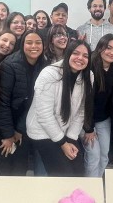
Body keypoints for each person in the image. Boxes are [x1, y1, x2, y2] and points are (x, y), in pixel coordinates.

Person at [26, 40, 93, 176]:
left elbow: (80, 111)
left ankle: (76, 197)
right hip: (42, 131)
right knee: (63, 174)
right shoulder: (49, 74)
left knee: (78, 169)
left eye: (85, 56)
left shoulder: (88, 76)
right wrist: (63, 143)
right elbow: (44, 115)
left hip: (65, 130)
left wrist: (71, 138)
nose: (80, 58)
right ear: (68, 54)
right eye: (76, 53)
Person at [0, 30, 47, 175]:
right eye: (29, 42)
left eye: (38, 42)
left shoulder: (45, 65)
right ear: (22, 44)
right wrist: (8, 134)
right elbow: (2, 102)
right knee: (4, 170)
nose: (33, 46)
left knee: (20, 169)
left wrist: (20, 129)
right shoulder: (9, 65)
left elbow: (37, 102)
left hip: (25, 124)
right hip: (4, 123)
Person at [83, 34, 113, 177]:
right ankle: (90, 187)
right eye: (109, 48)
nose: (112, 53)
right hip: (87, 121)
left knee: (104, 155)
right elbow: (86, 101)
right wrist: (88, 128)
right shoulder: (90, 67)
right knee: (93, 156)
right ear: (100, 48)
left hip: (104, 119)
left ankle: (98, 182)